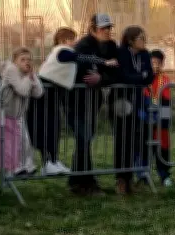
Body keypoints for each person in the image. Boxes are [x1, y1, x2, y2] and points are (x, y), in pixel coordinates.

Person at [29, 27, 116, 177]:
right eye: (72, 39)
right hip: (44, 92)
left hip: (52, 93)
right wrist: (105, 62)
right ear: (63, 41)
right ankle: (48, 162)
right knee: (47, 126)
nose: (75, 42)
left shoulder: (65, 52)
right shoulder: (62, 51)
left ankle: (53, 161)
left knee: (54, 126)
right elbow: (82, 57)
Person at [65, 13, 119, 196]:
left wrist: (101, 77)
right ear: (93, 29)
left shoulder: (112, 46)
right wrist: (100, 71)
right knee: (84, 138)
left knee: (85, 139)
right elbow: (81, 69)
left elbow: (117, 70)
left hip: (93, 101)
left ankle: (78, 180)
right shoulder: (83, 45)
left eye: (109, 28)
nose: (107, 31)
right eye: (103, 28)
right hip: (75, 101)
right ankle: (85, 181)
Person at [111, 25, 153, 194]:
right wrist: (140, 77)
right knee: (122, 140)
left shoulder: (144, 54)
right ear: (130, 40)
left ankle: (131, 179)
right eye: (141, 38)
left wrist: (140, 78)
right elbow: (122, 75)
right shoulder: (121, 53)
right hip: (121, 101)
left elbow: (149, 76)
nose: (144, 41)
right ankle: (121, 179)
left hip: (137, 101)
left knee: (135, 139)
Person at [0, 47, 44, 178]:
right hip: (6, 113)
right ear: (15, 61)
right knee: (10, 143)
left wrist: (32, 77)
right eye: (22, 60)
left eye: (29, 60)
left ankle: (27, 167)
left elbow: (38, 93)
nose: (27, 62)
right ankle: (12, 170)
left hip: (18, 114)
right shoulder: (11, 69)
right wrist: (28, 78)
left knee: (24, 142)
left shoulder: (27, 73)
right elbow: (22, 90)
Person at [144, 49, 172, 186]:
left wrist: (164, 122)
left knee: (163, 148)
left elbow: (167, 100)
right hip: (146, 119)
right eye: (152, 62)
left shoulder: (165, 79)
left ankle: (164, 175)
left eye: (157, 62)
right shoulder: (144, 78)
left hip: (161, 121)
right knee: (145, 148)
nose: (155, 65)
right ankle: (144, 175)